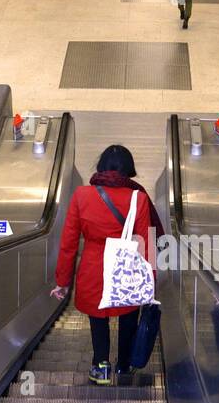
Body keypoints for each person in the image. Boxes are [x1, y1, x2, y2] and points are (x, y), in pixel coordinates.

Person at [52, 145, 164, 385]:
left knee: (98, 316)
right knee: (128, 316)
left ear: (101, 166)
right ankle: (123, 366)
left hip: (94, 268)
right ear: (129, 169)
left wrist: (62, 282)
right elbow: (146, 244)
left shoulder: (82, 195)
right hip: (127, 266)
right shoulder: (139, 198)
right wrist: (150, 281)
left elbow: (69, 243)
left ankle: (100, 366)